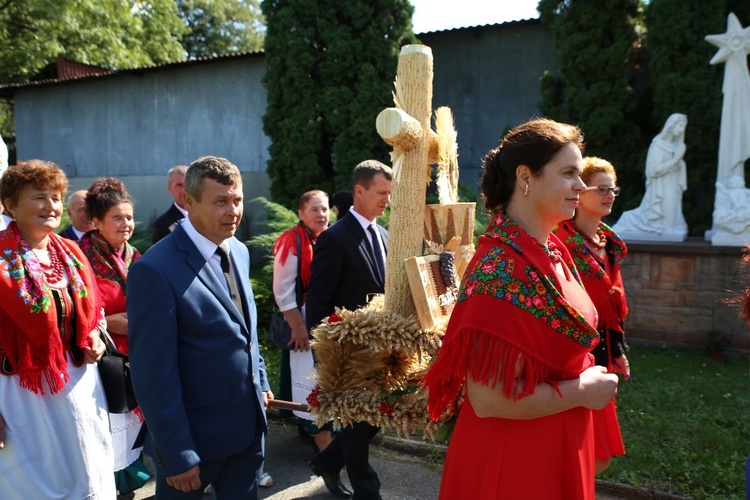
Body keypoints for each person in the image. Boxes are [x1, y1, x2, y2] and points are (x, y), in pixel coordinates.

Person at [422, 118, 619, 499]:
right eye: (568, 173)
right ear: (525, 178)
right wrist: (582, 391)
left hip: (555, 444)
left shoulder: (552, 250)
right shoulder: (500, 268)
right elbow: (489, 399)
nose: (581, 185)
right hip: (515, 463)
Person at [127, 156, 272, 499]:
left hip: (248, 431)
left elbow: (245, 328)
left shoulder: (237, 249)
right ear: (188, 202)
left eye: (237, 200)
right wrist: (174, 454)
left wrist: (261, 380)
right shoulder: (155, 270)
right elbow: (152, 375)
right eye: (220, 201)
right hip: (192, 444)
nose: (233, 211)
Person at [0, 159, 114, 498]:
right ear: (10, 205)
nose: (50, 206)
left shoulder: (72, 252)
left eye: (55, 196)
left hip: (79, 388)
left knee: (89, 477)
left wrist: (96, 337)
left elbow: (96, 314)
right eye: (38, 197)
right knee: (33, 483)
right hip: (20, 393)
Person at [306, 160, 392, 500]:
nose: (387, 199)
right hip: (346, 352)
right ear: (359, 190)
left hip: (380, 352)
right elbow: (317, 300)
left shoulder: (384, 235)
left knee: (373, 419)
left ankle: (327, 462)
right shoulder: (334, 238)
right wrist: (322, 354)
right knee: (358, 423)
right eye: (381, 192)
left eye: (389, 193)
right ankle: (368, 492)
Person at [554, 156, 629, 474]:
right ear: (580, 191)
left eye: (612, 189)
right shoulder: (560, 243)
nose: (609, 194)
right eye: (601, 188)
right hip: (573, 358)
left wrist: (621, 349)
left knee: (599, 455)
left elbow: (614, 307)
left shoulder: (610, 244)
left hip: (605, 353)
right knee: (578, 450)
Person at [79, 178, 150, 499]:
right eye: (117, 218)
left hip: (138, 351)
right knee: (106, 429)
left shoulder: (137, 256)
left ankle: (128, 482)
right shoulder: (79, 259)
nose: (126, 224)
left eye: (130, 217)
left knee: (136, 425)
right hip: (101, 357)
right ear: (96, 222)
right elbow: (72, 311)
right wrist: (107, 322)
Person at [273, 189, 333, 453]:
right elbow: (283, 290)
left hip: (325, 317)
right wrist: (298, 326)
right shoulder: (292, 240)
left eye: (324, 209)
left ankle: (321, 430)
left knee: (324, 375)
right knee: (308, 376)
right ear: (301, 213)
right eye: (315, 209)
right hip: (303, 317)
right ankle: (317, 434)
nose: (321, 214)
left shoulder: (325, 239)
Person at [613, 113, 688, 240]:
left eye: (683, 127)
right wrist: (676, 159)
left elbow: (675, 167)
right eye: (680, 126)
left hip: (672, 187)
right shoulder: (658, 145)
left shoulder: (676, 147)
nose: (681, 130)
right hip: (661, 190)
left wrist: (680, 164)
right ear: (671, 126)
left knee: (672, 224)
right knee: (665, 224)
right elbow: (654, 171)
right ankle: (628, 220)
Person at [152, 164, 188, 244]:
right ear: (169, 188)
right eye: (179, 185)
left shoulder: (206, 218)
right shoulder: (162, 225)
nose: (184, 191)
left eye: (187, 185)